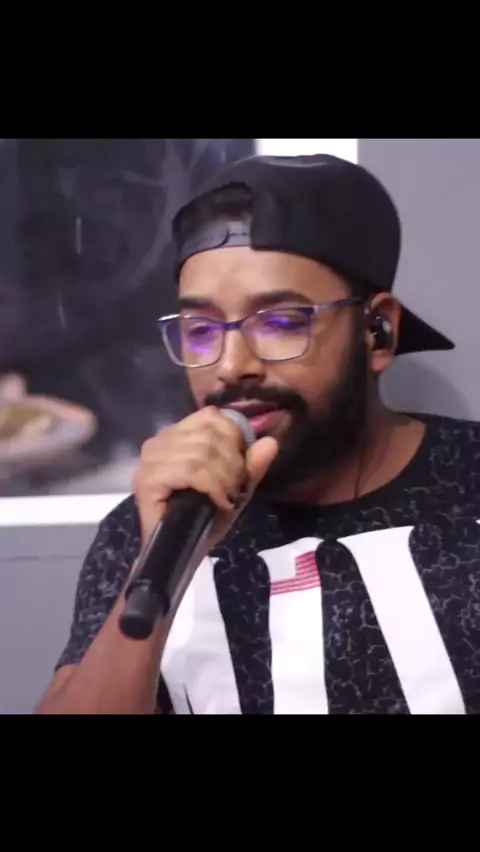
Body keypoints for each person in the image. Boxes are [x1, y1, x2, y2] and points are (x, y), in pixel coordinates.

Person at [36, 153, 480, 715]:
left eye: (280, 322)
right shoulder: (146, 529)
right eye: (201, 330)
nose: (231, 366)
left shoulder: (467, 477)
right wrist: (164, 553)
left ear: (378, 332)